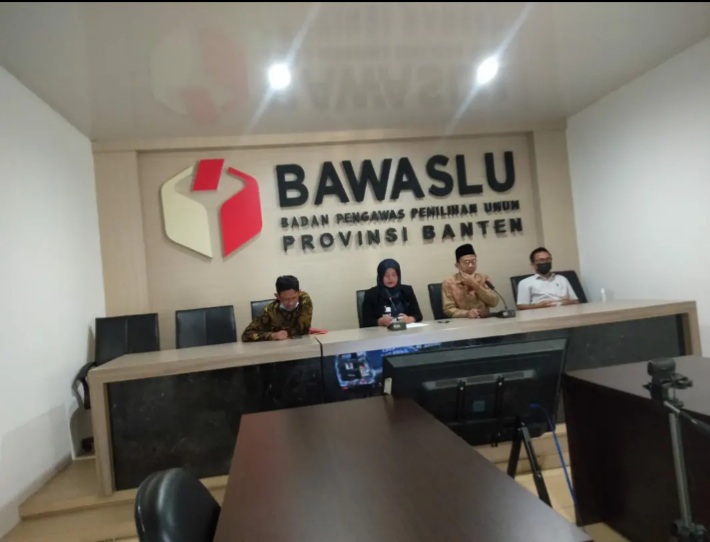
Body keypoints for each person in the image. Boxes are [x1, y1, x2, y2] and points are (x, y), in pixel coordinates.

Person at [241, 275, 313, 341]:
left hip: (303, 344)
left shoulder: (304, 299)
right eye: (286, 299)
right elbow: (246, 335)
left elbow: (302, 330)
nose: (291, 303)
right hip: (278, 347)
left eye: (294, 298)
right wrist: (273, 335)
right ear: (277, 296)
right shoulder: (269, 311)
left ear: (299, 293)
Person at [441, 243, 499, 318]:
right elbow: (448, 309)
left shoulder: (484, 278)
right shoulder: (449, 282)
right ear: (457, 265)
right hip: (462, 321)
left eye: (473, 261)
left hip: (484, 319)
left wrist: (475, 285)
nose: (471, 265)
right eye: (466, 262)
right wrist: (466, 313)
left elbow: (494, 303)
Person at [361, 258, 423, 327]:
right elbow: (366, 322)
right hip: (381, 332)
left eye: (394, 275)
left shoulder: (407, 291)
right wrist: (380, 321)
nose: (390, 278)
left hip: (406, 331)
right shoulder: (371, 294)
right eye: (386, 275)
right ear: (381, 276)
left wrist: (409, 319)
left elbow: (418, 315)